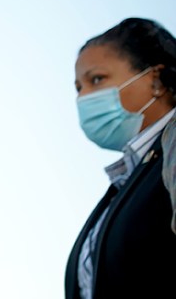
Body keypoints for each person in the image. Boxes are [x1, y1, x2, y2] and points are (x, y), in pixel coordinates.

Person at [65, 17, 176, 299]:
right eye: (79, 87)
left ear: (155, 80)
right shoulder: (126, 183)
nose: (84, 97)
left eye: (97, 79)